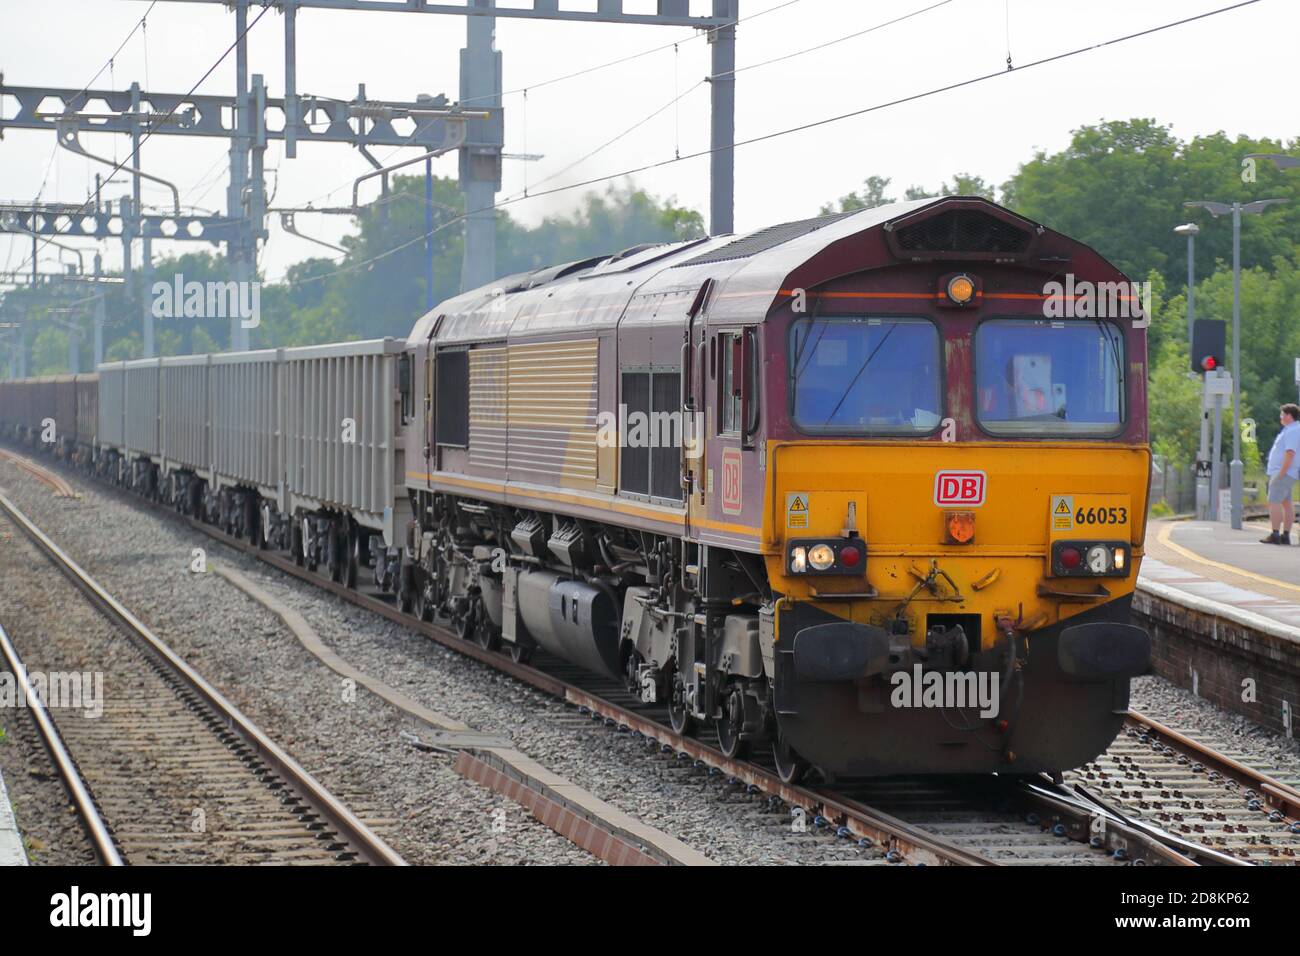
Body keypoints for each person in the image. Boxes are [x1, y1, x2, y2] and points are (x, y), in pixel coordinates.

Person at [1260, 403, 1300, 544]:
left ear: (1289, 416)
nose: (1280, 417)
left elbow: (1290, 453)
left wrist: (1281, 473)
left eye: (1282, 414)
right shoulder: (1291, 430)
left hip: (1283, 472)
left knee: (1274, 502)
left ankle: (1275, 534)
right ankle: (1285, 535)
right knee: (1286, 503)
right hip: (1286, 472)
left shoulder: (1292, 431)